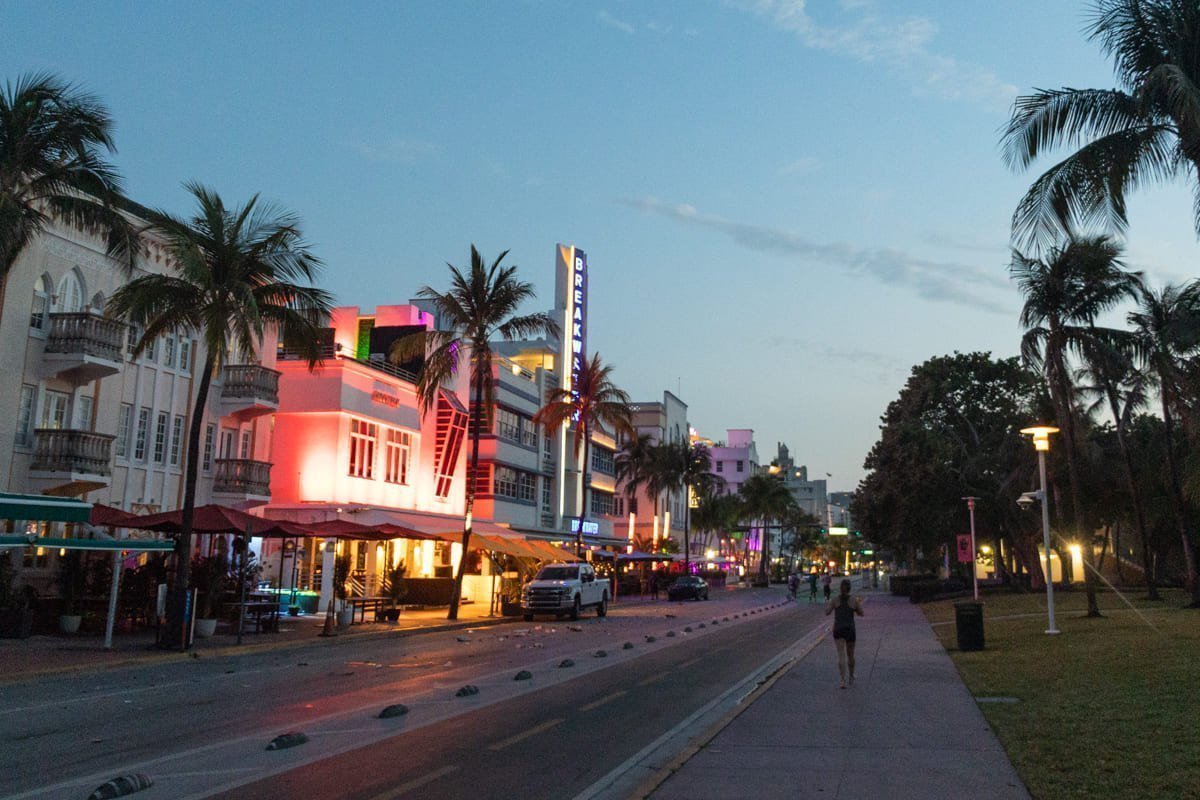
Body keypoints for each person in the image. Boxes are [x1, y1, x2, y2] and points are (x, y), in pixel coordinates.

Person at [825, 578, 865, 688]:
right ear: (849, 588)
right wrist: (855, 610)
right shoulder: (853, 600)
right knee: (850, 654)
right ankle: (851, 676)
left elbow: (827, 612)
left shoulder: (835, 600)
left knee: (841, 654)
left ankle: (842, 680)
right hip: (850, 629)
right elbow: (862, 613)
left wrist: (831, 605)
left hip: (838, 629)